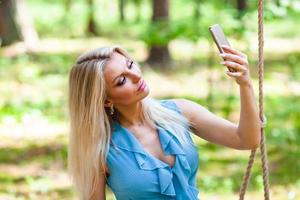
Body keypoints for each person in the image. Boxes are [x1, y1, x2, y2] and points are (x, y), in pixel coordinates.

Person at [68, 45, 261, 200]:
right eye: (121, 80)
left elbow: (245, 140)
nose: (136, 76)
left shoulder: (180, 111)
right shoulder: (100, 147)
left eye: (131, 64)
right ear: (105, 100)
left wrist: (245, 84)